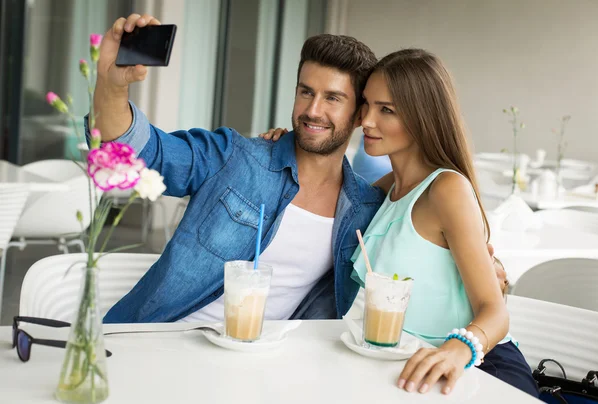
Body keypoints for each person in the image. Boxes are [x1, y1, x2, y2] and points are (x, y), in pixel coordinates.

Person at [91, 13, 506, 324]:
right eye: (305, 92)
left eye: (332, 98)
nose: (312, 110)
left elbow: (419, 238)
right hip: (156, 344)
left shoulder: (366, 207)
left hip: (271, 370)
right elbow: (142, 151)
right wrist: (112, 84)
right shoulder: (233, 157)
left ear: (359, 113)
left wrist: (489, 267)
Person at [351, 49, 538, 397]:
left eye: (386, 110)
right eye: (366, 104)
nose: (366, 120)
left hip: (479, 365)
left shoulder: (446, 189)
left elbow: (495, 312)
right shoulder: (383, 189)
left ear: (423, 117)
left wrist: (457, 349)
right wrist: (282, 143)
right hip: (406, 366)